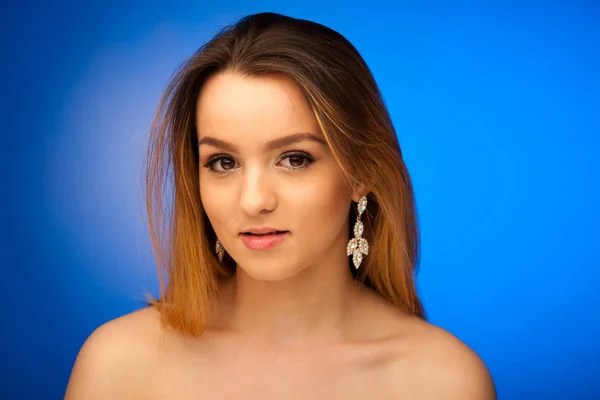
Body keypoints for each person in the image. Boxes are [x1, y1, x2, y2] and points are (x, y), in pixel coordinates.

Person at [65, 12, 496, 399]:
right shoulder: (118, 365)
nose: (253, 201)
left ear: (362, 172)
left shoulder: (444, 381)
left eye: (294, 159)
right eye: (223, 162)